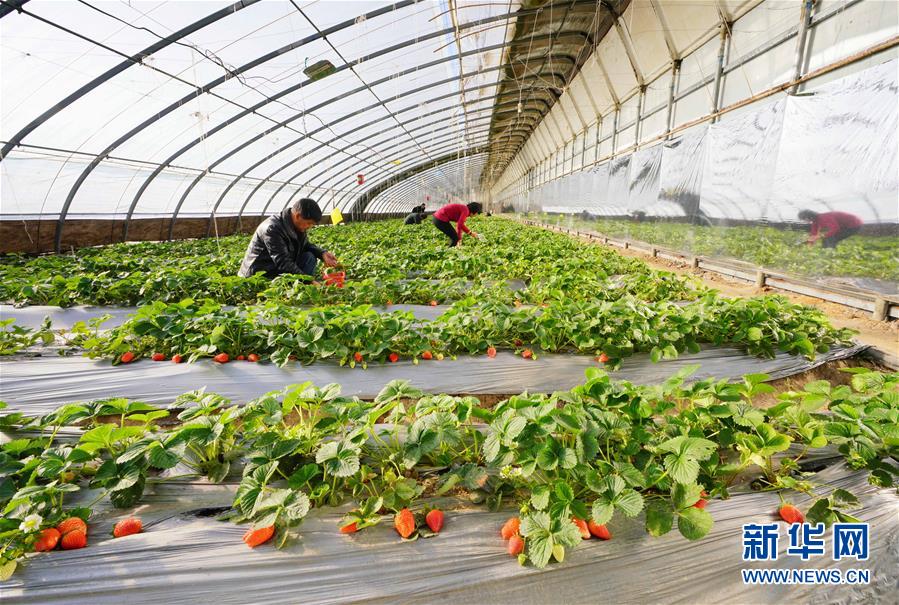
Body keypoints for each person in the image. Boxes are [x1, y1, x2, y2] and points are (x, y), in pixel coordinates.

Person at [238, 198, 339, 278]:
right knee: (302, 271)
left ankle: (300, 287)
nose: (310, 227)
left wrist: (322, 253)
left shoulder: (298, 226)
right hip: (260, 273)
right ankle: (302, 286)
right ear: (298, 216)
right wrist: (308, 281)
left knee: (309, 257)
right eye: (309, 223)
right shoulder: (272, 228)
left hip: (276, 268)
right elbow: (283, 262)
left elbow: (305, 245)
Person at [798, 209, 863, 248]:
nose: (804, 221)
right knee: (827, 238)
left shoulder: (824, 217)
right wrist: (809, 244)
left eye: (804, 219)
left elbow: (835, 228)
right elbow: (813, 234)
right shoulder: (815, 221)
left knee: (829, 238)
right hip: (845, 226)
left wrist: (821, 236)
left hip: (854, 224)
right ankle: (826, 253)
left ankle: (829, 255)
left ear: (809, 216)